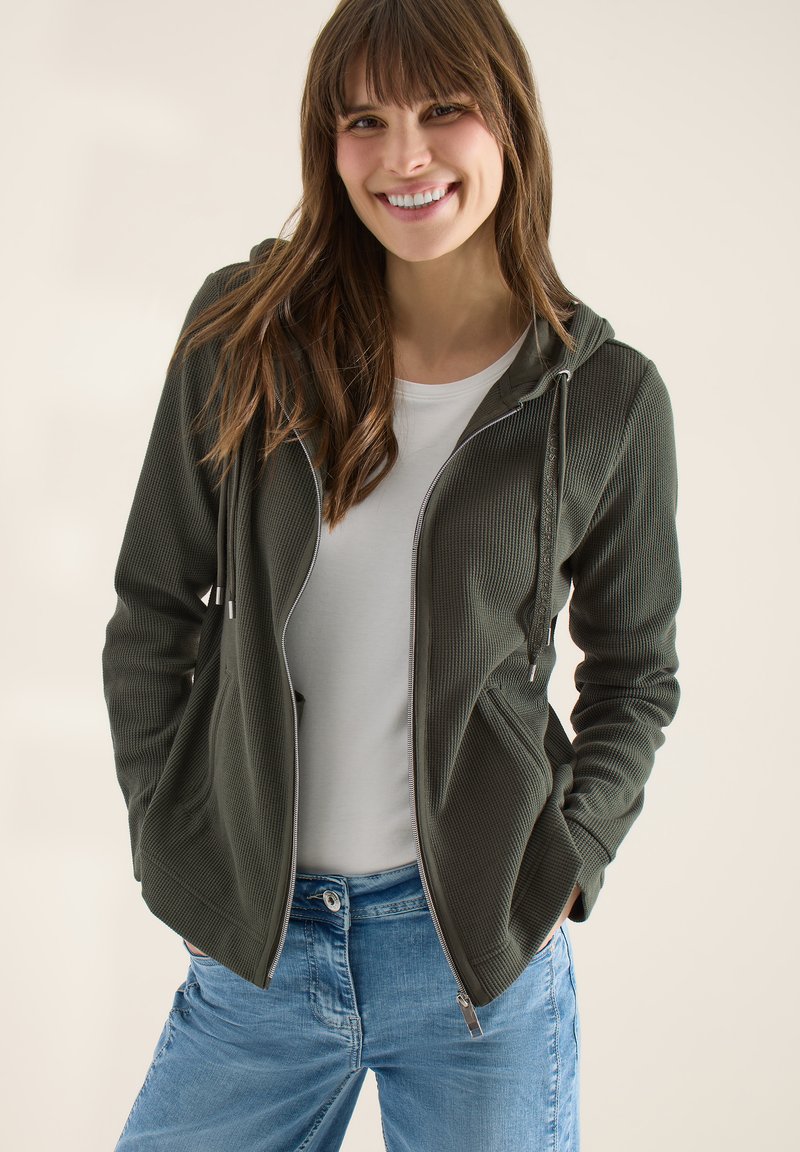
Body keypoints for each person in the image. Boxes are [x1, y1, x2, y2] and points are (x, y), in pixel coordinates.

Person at [102, 0, 681, 1147]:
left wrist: (568, 863)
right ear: (327, 144)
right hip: (260, 946)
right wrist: (174, 846)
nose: (404, 156)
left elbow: (633, 673)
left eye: (442, 110)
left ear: (507, 120)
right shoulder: (243, 333)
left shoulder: (602, 397)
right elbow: (154, 609)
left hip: (473, 965)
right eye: (363, 120)